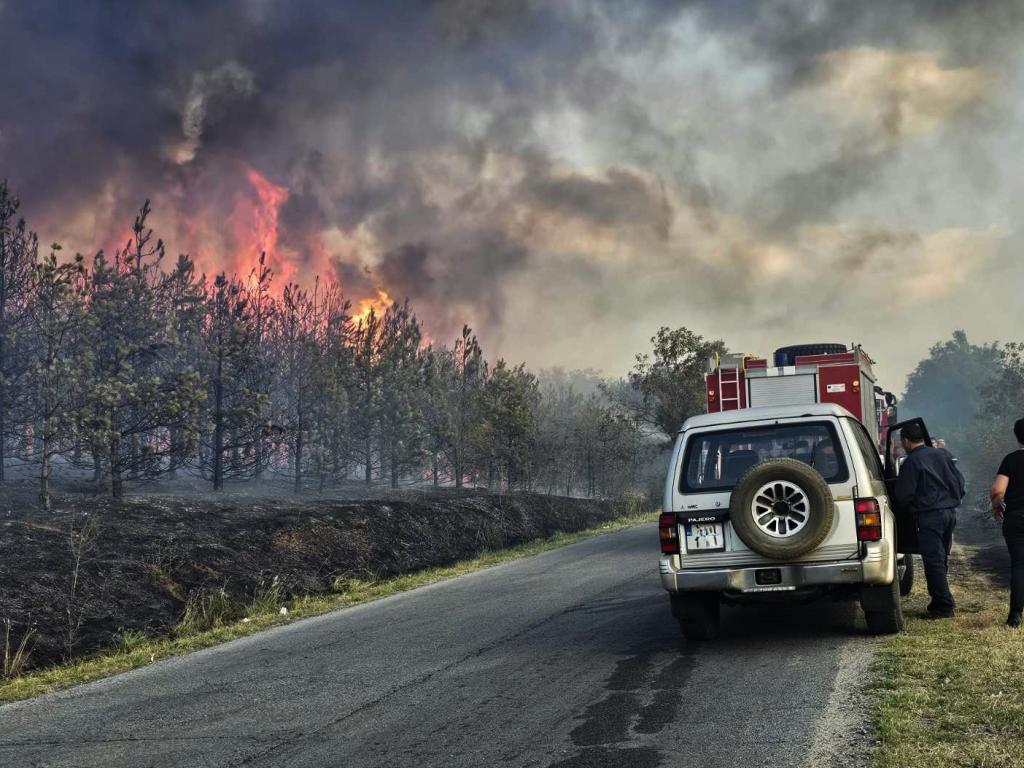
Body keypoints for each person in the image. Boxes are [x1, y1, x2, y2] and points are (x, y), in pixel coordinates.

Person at [893, 422, 966, 619]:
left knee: (933, 560)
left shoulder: (912, 462)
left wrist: (906, 508)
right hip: (950, 513)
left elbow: (903, 495)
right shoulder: (943, 454)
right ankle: (939, 600)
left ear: (906, 441)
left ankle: (944, 606)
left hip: (929, 516)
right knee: (940, 559)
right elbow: (960, 482)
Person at [990, 418, 1024, 628]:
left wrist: (996, 505)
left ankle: (1015, 615)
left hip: (1017, 517)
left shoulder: (1011, 460)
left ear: (1017, 436)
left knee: (1019, 565)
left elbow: (998, 490)